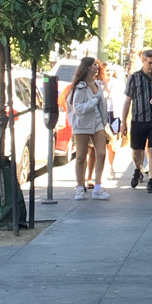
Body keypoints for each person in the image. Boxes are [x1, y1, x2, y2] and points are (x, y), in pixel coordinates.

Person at [122, 48, 152, 193]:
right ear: (143, 61)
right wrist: (123, 122)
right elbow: (127, 100)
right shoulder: (134, 78)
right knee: (137, 150)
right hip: (138, 118)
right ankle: (138, 169)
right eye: (149, 63)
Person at [65, 56, 112, 200]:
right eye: (94, 65)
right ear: (87, 67)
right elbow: (77, 108)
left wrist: (104, 120)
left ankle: (97, 187)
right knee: (81, 156)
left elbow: (101, 103)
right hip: (82, 123)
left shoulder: (97, 84)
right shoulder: (79, 87)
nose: (97, 67)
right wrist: (93, 102)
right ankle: (80, 186)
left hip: (97, 121)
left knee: (101, 153)